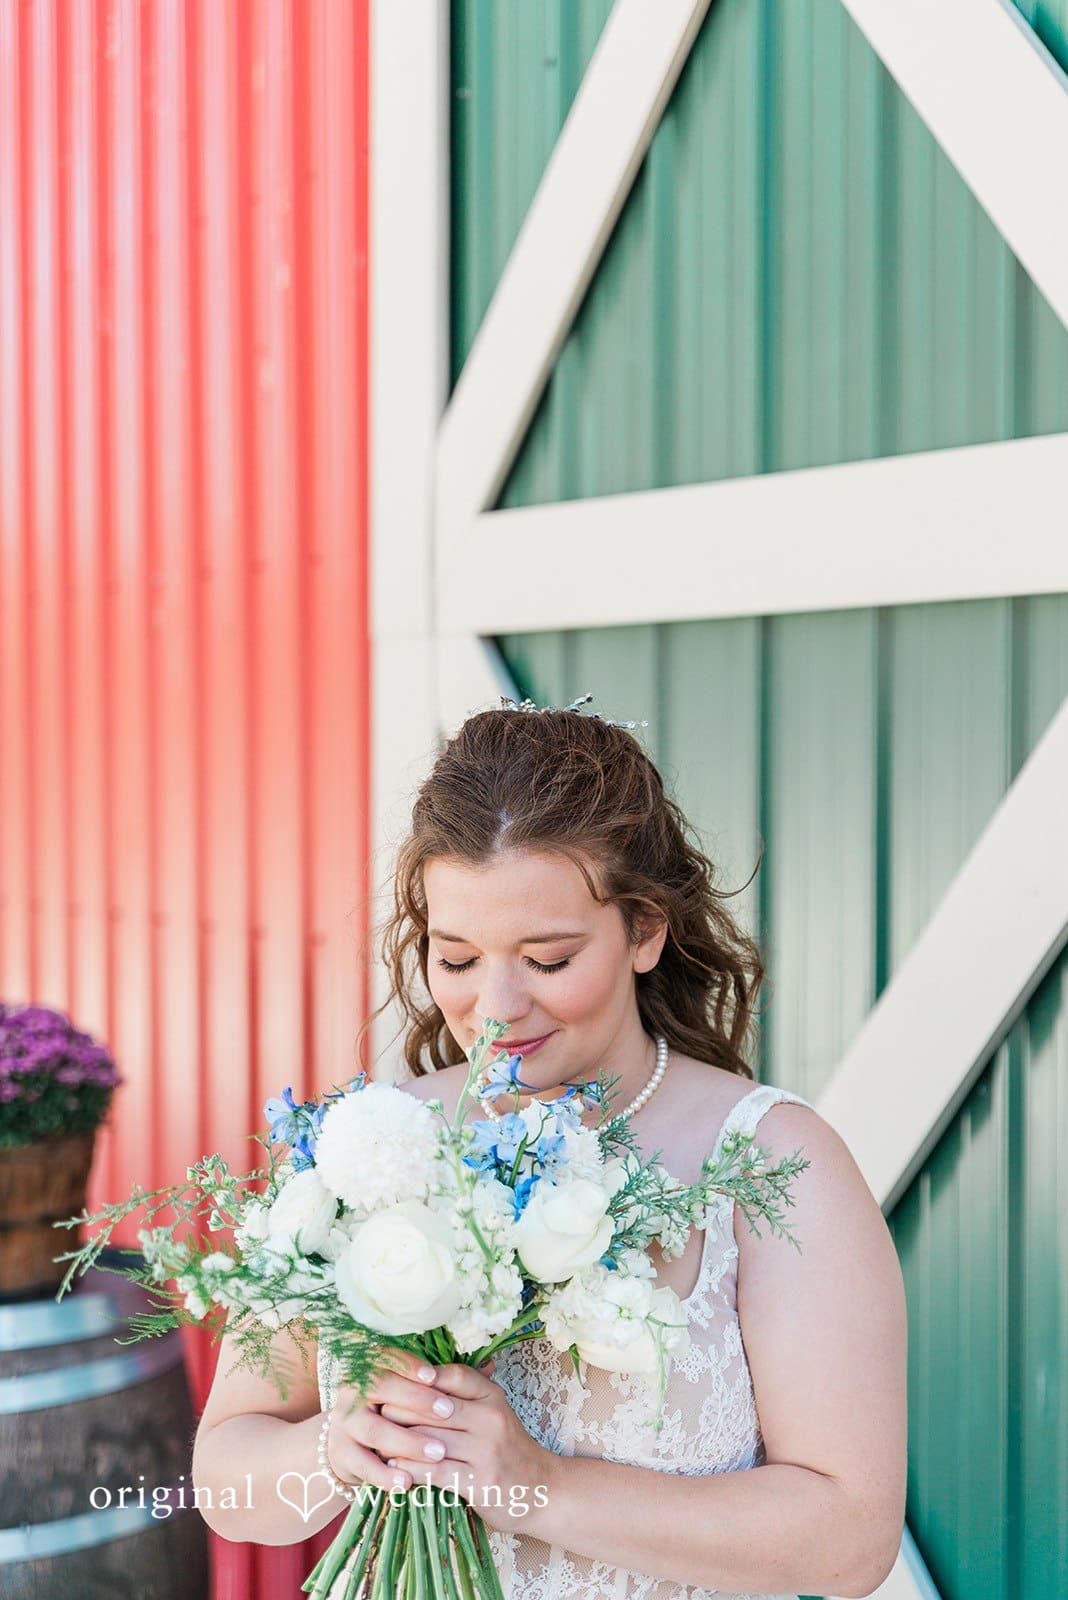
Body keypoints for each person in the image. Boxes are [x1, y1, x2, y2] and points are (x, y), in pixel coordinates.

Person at [193, 702, 907, 1600]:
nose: (495, 1009)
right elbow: (226, 1482)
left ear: (645, 931)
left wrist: (541, 1486)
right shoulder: (364, 1150)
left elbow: (850, 1542)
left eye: (549, 958)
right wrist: (337, 1449)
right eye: (455, 959)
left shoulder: (773, 1164)